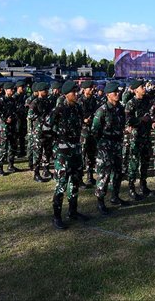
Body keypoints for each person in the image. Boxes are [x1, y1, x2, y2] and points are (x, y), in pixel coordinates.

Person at [46, 80, 88, 230]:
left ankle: (73, 211)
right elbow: (45, 128)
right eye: (73, 92)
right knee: (62, 183)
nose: (76, 94)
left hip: (76, 149)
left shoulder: (78, 108)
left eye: (77, 92)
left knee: (75, 181)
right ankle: (56, 216)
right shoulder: (58, 110)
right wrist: (56, 144)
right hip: (63, 152)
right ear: (65, 94)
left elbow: (80, 126)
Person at [92, 81, 128, 215]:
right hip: (105, 147)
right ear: (108, 95)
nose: (118, 94)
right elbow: (95, 131)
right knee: (104, 175)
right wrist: (102, 144)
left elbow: (122, 124)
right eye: (115, 92)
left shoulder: (120, 108)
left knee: (118, 172)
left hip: (117, 145)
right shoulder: (102, 110)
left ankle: (115, 196)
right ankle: (100, 202)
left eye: (118, 92)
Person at [124, 80, 152, 199]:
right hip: (135, 137)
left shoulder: (146, 100)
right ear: (136, 90)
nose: (144, 88)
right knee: (134, 164)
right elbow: (128, 120)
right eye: (142, 87)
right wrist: (141, 120)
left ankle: (143, 185)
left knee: (145, 162)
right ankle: (131, 188)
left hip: (145, 136)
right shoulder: (131, 103)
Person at [27, 82, 54, 182]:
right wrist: (41, 118)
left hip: (47, 130)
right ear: (39, 92)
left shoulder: (48, 101)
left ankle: (46, 170)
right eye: (44, 90)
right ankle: (36, 173)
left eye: (47, 90)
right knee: (37, 153)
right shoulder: (35, 102)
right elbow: (30, 115)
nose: (46, 92)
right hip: (38, 131)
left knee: (47, 151)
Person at [0, 82, 19, 175]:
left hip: (12, 127)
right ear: (6, 90)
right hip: (4, 128)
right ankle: (0, 167)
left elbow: (15, 111)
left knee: (13, 147)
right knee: (3, 148)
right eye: (11, 89)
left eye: (13, 89)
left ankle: (11, 165)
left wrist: (14, 117)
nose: (13, 91)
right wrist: (4, 119)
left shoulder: (13, 100)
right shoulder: (0, 101)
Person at [78, 80, 98, 188]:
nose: (92, 90)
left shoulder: (93, 100)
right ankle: (80, 179)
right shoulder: (80, 101)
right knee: (82, 154)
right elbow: (76, 116)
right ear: (85, 90)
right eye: (90, 88)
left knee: (91, 154)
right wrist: (83, 120)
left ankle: (90, 176)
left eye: (92, 88)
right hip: (83, 132)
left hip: (91, 131)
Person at [13, 80, 28, 157]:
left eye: (24, 87)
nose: (24, 88)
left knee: (22, 135)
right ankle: (15, 151)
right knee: (16, 135)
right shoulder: (14, 97)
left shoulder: (24, 96)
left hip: (23, 118)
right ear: (18, 88)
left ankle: (22, 151)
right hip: (16, 119)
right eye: (22, 87)